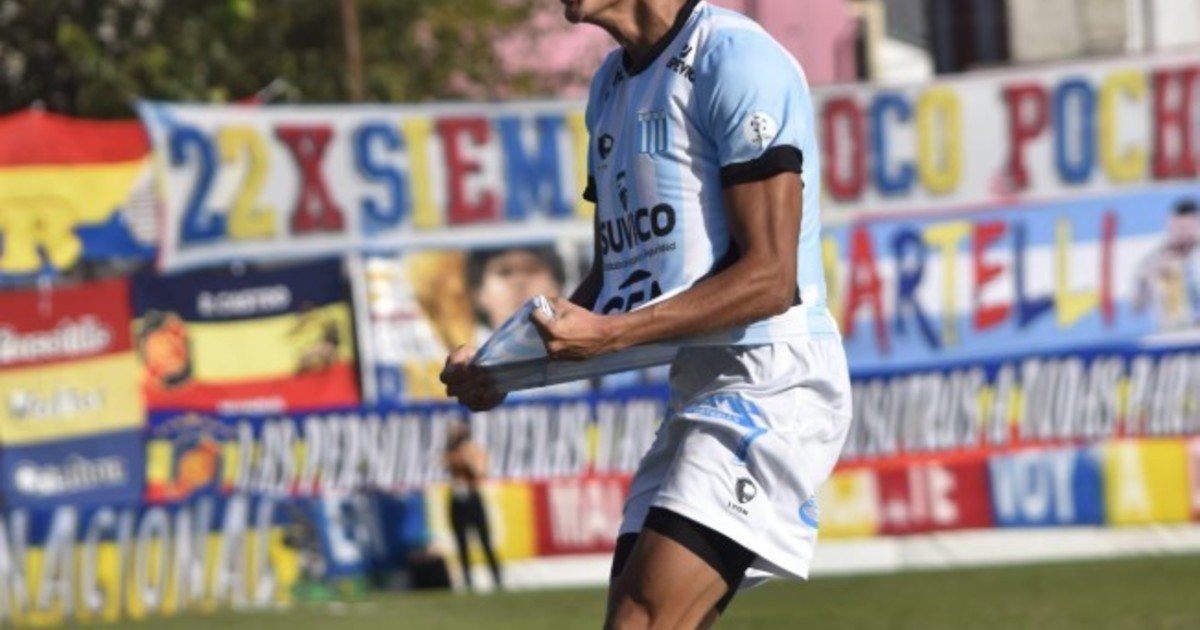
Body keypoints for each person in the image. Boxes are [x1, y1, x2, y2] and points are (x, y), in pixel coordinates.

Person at [442, 0, 851, 627]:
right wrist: (501, 368)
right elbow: (613, 282)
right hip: (700, 384)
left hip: (776, 380)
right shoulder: (609, 86)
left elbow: (771, 280)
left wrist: (610, 336)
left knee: (639, 619)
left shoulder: (736, 58)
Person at [443, 420, 503, 592]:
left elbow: (480, 473)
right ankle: (468, 581)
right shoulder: (450, 451)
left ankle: (497, 579)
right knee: (461, 544)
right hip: (457, 499)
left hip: (472, 497)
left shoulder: (475, 450)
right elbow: (446, 465)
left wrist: (466, 457)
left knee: (485, 541)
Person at [1134, 199, 1200, 331]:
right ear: (1169, 225)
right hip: (1171, 333)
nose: (1182, 233)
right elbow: (1137, 306)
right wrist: (1148, 278)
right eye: (1178, 227)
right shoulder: (1152, 261)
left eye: (1188, 227)